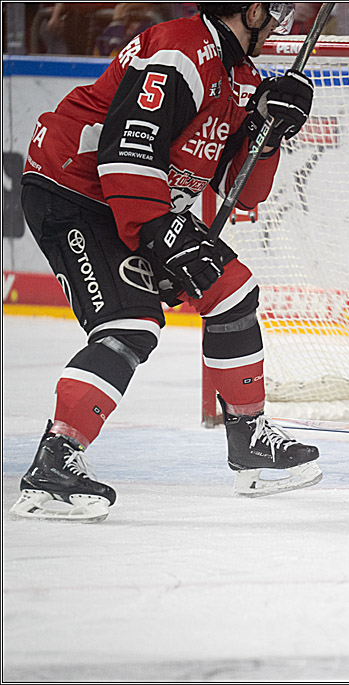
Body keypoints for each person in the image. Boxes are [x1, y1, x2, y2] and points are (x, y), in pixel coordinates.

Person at [11, 2, 323, 523]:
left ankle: (249, 440)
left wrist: (266, 132)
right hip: (76, 192)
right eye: (277, 11)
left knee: (232, 291)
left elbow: (242, 191)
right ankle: (53, 466)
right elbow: (127, 152)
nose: (280, 24)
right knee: (130, 323)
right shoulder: (181, 50)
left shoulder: (242, 76)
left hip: (134, 202)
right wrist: (157, 232)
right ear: (252, 11)